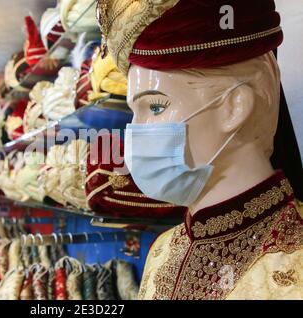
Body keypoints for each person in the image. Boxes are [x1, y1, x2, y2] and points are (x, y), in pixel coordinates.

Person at [96, 0, 302, 299]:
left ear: (234, 106)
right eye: (133, 112)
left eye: (155, 106)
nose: (136, 131)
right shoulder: (162, 252)